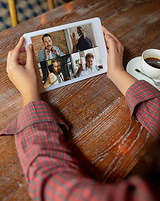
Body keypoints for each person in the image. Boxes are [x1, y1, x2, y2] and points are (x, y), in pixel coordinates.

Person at [1, 26, 160, 201]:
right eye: (45, 42)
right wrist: (117, 72)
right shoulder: (41, 55)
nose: (47, 44)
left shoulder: (59, 50)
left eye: (49, 41)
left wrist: (29, 95)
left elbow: (51, 184)